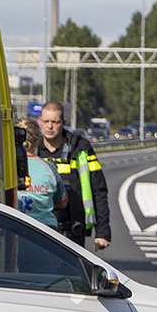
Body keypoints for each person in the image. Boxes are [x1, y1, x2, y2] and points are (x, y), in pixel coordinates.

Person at [32, 101, 112, 249]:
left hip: (72, 231)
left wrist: (102, 232)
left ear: (63, 122)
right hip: (37, 230)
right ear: (39, 121)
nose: (50, 127)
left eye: (55, 122)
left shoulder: (80, 148)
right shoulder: (32, 150)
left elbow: (98, 190)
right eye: (46, 121)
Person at [15, 123, 66, 229]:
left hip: (14, 225)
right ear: (38, 140)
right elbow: (62, 202)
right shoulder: (49, 167)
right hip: (44, 229)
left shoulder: (4, 167)